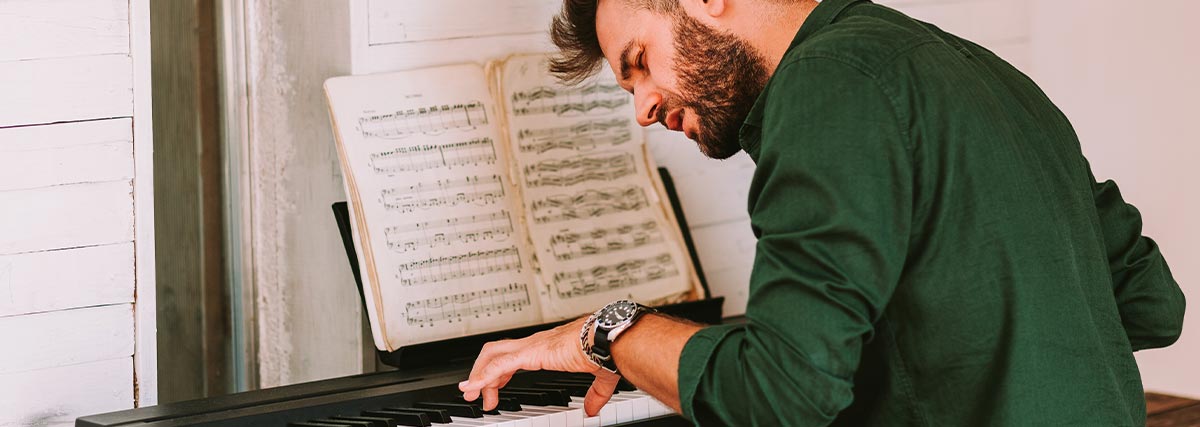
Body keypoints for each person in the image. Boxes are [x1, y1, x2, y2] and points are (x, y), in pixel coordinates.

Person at [458, 0, 1187, 424]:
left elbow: (783, 392)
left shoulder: (826, 85)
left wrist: (611, 331)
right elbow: (1151, 304)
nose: (644, 108)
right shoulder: (985, 73)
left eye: (640, 62)